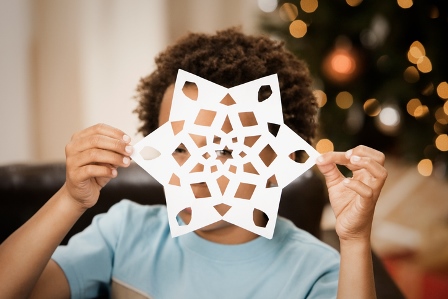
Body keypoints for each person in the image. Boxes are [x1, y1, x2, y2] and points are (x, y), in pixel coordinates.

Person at [0, 28, 387, 299]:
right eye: (182, 149)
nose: (197, 171)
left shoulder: (317, 271)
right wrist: (70, 198)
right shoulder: (124, 233)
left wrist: (354, 244)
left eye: (226, 150)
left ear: (279, 158)